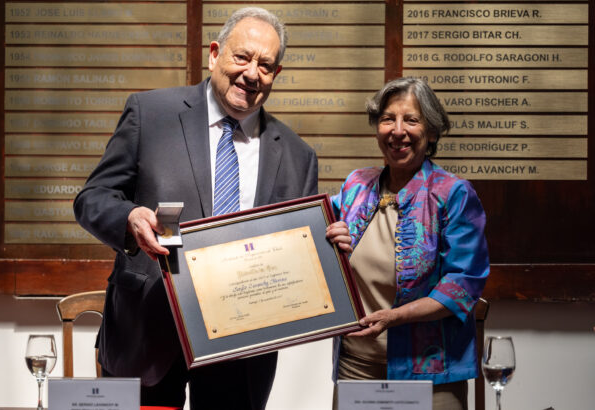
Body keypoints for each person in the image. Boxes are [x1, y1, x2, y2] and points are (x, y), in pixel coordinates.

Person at [74, 7, 317, 409]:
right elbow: (93, 198)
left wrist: (324, 249)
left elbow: (296, 252)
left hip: (241, 348)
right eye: (242, 57)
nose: (252, 74)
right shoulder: (149, 114)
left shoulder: (297, 155)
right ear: (215, 53)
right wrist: (129, 218)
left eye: (266, 65)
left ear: (277, 73)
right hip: (148, 330)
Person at [325, 77, 489, 409]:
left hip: (430, 373)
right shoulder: (356, 185)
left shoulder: (453, 194)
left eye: (411, 120)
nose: (398, 130)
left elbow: (463, 285)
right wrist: (329, 235)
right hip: (356, 367)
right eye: (388, 118)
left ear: (431, 132)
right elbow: (313, 242)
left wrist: (394, 317)